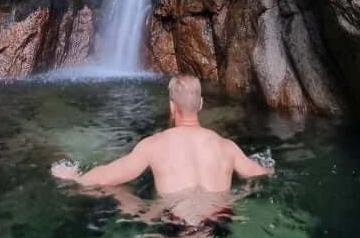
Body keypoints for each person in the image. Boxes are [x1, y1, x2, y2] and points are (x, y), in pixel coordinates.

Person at [51, 74, 274, 196]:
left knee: (122, 196)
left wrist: (74, 178)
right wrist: (267, 166)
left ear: (171, 107)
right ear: (201, 105)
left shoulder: (153, 146)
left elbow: (108, 177)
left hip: (175, 224)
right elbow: (261, 173)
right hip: (219, 222)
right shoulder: (227, 147)